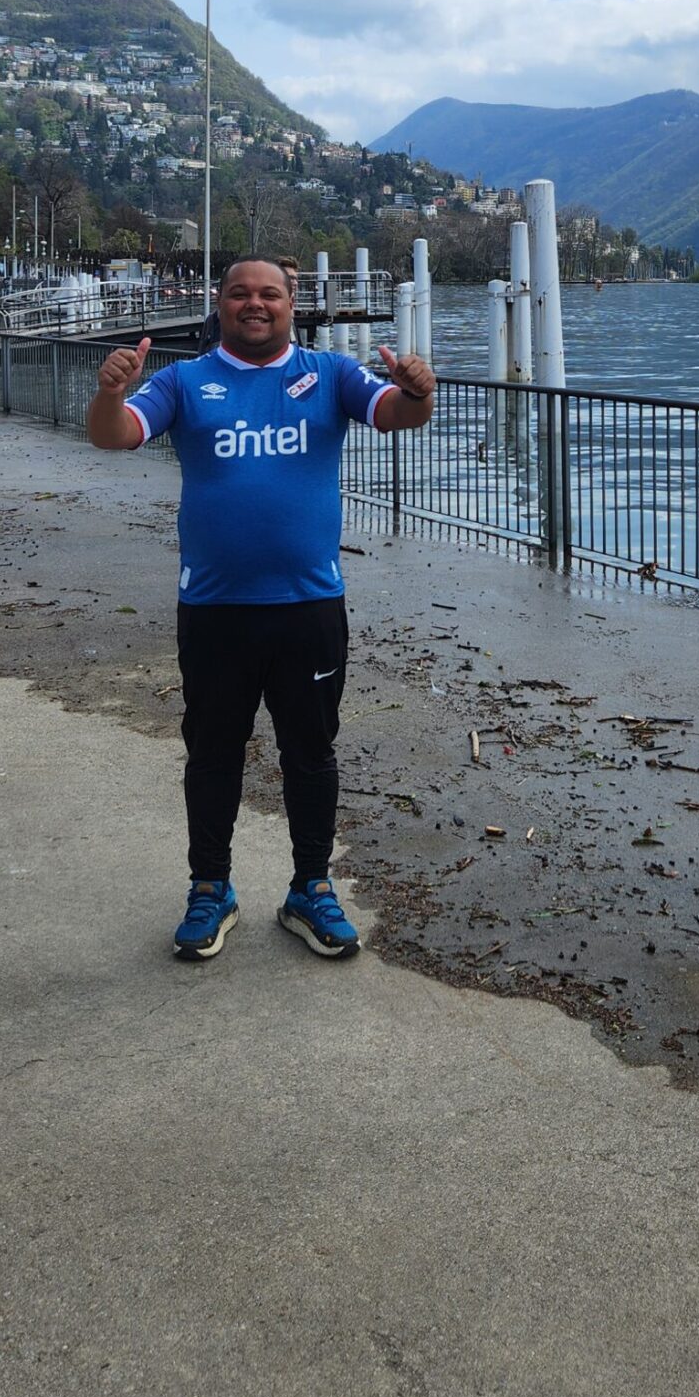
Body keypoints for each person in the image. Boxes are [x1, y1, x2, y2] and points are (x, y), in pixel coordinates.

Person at [87, 258, 435, 963]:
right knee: (213, 752)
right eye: (240, 293)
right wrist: (109, 393)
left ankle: (311, 887)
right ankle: (209, 888)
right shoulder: (185, 381)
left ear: (290, 303)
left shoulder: (330, 373)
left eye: (269, 293)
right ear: (218, 303)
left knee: (311, 753)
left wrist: (419, 391)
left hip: (310, 605)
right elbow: (113, 434)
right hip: (215, 608)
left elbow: (395, 415)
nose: (255, 303)